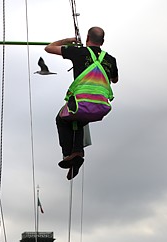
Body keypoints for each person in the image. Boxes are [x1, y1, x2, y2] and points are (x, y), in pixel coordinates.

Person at [45, 26, 119, 180]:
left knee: (62, 118)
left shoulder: (79, 52)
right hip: (101, 106)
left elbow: (49, 48)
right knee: (79, 119)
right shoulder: (111, 59)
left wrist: (69, 41)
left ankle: (68, 154)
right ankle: (77, 154)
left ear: (87, 38)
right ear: (103, 41)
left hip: (80, 102)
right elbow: (115, 80)